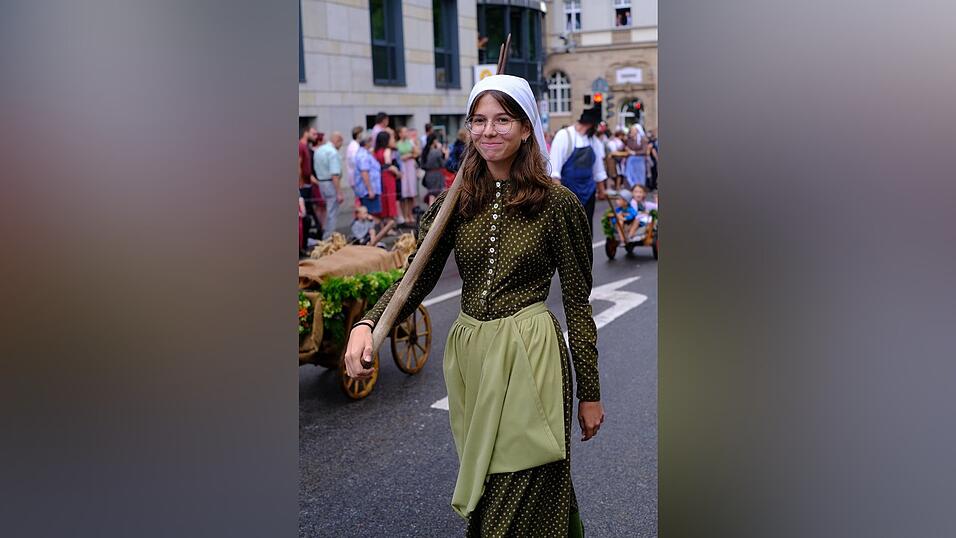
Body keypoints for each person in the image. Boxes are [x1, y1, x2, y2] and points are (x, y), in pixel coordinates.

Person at [344, 74, 604, 537]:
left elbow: (578, 303)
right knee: (488, 483)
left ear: (526, 128)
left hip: (531, 356)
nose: (489, 131)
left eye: (503, 120)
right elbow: (414, 280)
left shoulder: (557, 204)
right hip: (471, 360)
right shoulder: (454, 202)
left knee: (521, 480)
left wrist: (590, 392)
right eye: (479, 121)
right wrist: (368, 323)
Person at [548, 106, 608, 237]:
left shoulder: (594, 141)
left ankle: (587, 256)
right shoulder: (564, 136)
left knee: (587, 229)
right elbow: (554, 170)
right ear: (591, 125)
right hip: (568, 191)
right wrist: (560, 197)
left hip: (588, 192)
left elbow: (598, 170)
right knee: (568, 231)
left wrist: (602, 191)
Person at [313, 132, 346, 240]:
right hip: (330, 183)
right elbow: (334, 174)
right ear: (338, 141)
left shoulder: (319, 150)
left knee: (324, 210)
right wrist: (339, 192)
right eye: (341, 144)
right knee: (332, 212)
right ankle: (329, 237)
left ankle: (323, 232)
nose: (341, 146)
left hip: (321, 182)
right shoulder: (332, 153)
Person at [372, 130, 400, 234]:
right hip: (388, 177)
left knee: (384, 200)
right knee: (390, 199)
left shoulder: (375, 151)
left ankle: (384, 226)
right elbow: (388, 166)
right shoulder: (387, 151)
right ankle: (389, 227)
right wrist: (397, 172)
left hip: (379, 177)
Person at [298, 127, 322, 239]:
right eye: (313, 133)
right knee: (305, 214)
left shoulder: (305, 147)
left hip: (307, 183)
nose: (315, 136)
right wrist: (300, 182)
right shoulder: (300, 146)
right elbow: (298, 164)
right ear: (305, 133)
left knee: (309, 212)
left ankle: (310, 238)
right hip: (303, 186)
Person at [395, 127, 420, 226]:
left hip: (410, 167)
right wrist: (404, 156)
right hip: (403, 168)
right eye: (403, 132)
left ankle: (410, 214)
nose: (405, 133)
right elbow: (397, 157)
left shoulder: (410, 142)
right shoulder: (397, 144)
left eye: (406, 132)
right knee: (404, 194)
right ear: (399, 134)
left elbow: (417, 152)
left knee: (411, 193)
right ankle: (404, 215)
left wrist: (409, 155)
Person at [352, 136, 382, 218]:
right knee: (370, 214)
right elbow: (364, 173)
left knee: (372, 214)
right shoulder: (363, 156)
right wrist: (370, 190)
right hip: (367, 191)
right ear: (367, 143)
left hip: (370, 189)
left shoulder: (366, 153)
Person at [420, 133, 447, 206]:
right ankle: (437, 213)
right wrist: (444, 154)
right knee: (439, 195)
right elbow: (443, 164)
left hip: (428, 175)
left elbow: (422, 165)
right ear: (434, 141)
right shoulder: (436, 152)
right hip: (437, 175)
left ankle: (430, 212)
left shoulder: (424, 152)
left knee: (431, 195)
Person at [345, 126, 364, 209]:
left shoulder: (354, 145)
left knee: (358, 197)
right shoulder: (354, 146)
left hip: (355, 175)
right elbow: (355, 161)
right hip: (356, 176)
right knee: (359, 197)